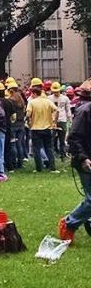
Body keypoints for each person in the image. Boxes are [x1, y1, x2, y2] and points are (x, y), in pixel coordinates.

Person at [59, 80, 91, 242]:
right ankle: (69, 223)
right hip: (85, 160)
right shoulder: (85, 111)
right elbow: (74, 138)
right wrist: (84, 158)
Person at [26, 78, 58, 172]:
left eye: (32, 93)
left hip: (35, 128)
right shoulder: (47, 101)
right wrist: (54, 121)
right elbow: (56, 110)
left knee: (36, 149)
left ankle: (39, 168)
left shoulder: (31, 102)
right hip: (47, 128)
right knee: (49, 148)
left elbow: (28, 114)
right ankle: (52, 168)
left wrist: (28, 121)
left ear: (35, 93)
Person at [6, 79, 27, 170]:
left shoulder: (10, 100)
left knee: (13, 144)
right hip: (21, 124)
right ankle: (20, 162)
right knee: (20, 144)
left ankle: (13, 162)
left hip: (13, 124)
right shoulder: (21, 100)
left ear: (10, 90)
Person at [49, 82, 72, 158]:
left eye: (57, 91)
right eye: (54, 91)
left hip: (62, 120)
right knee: (51, 139)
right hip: (52, 121)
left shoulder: (65, 98)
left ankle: (63, 155)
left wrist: (69, 118)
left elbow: (68, 109)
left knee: (62, 140)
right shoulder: (49, 98)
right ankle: (52, 155)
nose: (56, 93)